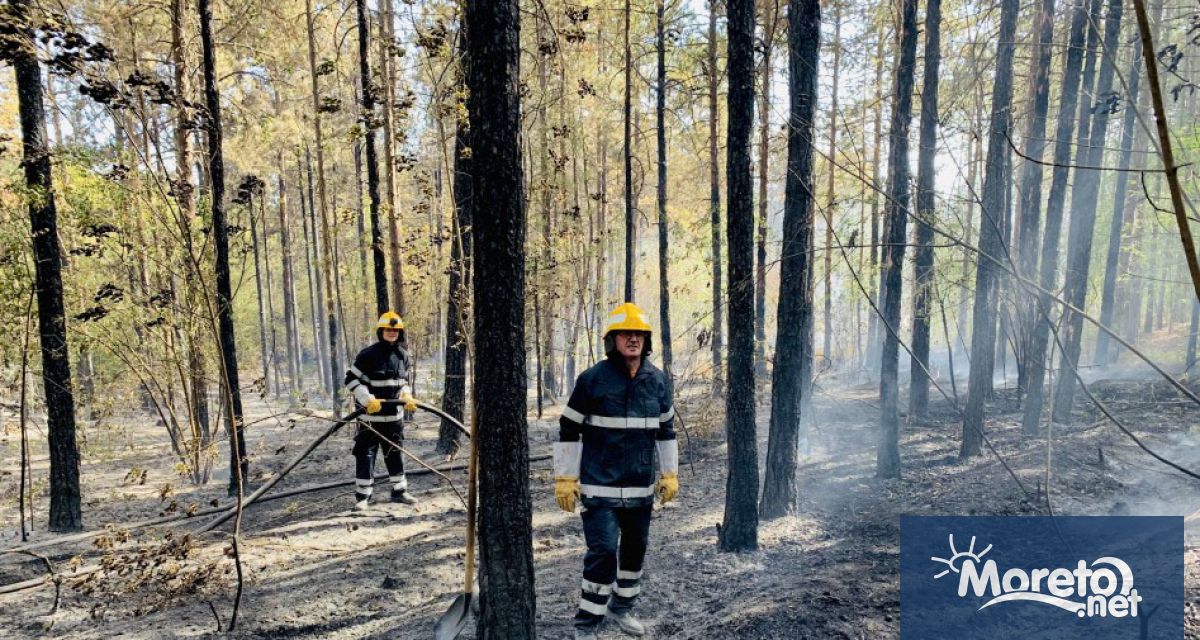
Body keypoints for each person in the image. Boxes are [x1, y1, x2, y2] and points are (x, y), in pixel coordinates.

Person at [554, 302, 679, 639]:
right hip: (599, 490)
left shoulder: (657, 381)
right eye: (626, 333)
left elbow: (667, 430)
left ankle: (621, 609)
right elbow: (568, 428)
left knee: (635, 551)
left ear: (647, 339)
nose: (633, 339)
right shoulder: (592, 379)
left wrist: (669, 473)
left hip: (640, 490)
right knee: (604, 552)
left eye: (638, 333)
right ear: (612, 339)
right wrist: (566, 478)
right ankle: (587, 624)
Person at [345, 311, 419, 510]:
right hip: (370, 419)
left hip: (394, 419)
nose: (392, 333)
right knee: (366, 455)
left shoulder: (403, 356)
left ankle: (399, 492)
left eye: (395, 330)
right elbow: (350, 379)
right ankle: (363, 497)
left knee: (395, 453)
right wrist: (367, 398)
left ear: (400, 332)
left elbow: (403, 383)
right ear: (381, 331)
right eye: (388, 329)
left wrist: (406, 395)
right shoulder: (368, 355)